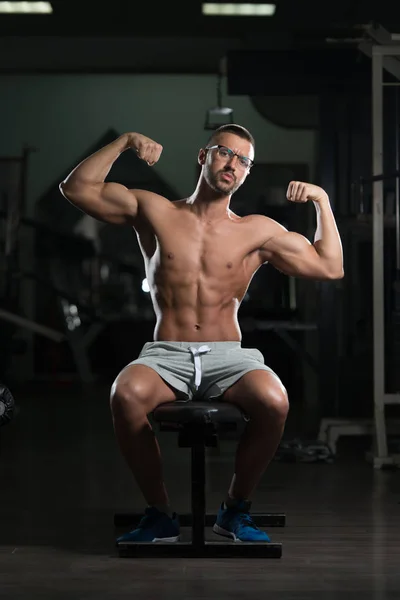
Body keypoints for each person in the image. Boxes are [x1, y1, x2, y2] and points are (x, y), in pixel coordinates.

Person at [60, 124, 343, 544]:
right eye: (226, 153)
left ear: (247, 174)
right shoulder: (155, 211)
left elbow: (329, 266)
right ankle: (159, 514)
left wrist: (322, 200)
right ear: (203, 156)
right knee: (125, 393)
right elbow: (77, 189)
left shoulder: (257, 230)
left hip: (228, 356)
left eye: (244, 160)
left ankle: (234, 510)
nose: (234, 164)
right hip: (166, 353)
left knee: (274, 400)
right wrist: (124, 142)